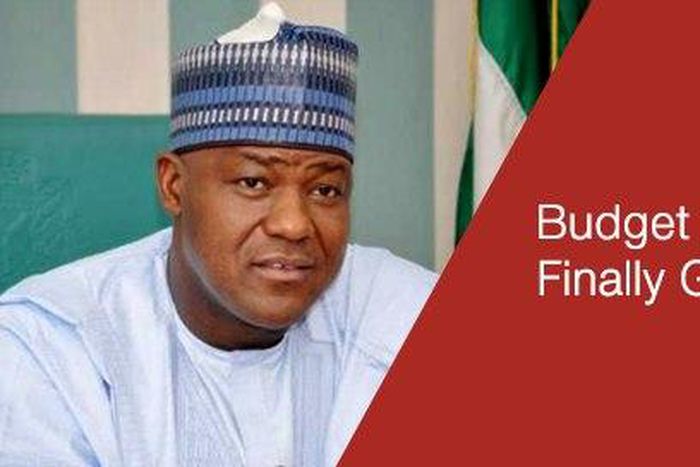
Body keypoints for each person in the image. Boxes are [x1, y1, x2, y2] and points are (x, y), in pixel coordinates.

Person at [0, 3, 436, 466]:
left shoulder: (399, 309)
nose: (294, 224)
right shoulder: (50, 346)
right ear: (174, 185)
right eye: (254, 182)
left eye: (325, 190)